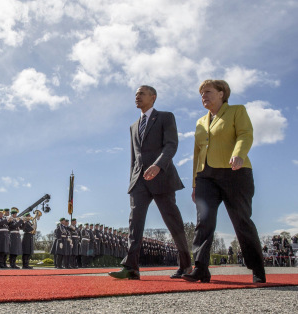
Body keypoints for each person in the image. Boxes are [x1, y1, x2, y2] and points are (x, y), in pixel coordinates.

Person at [183, 79, 266, 284]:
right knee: (204, 222)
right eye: (201, 93)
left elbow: (245, 134)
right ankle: (201, 268)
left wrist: (239, 154)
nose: (204, 96)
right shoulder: (200, 122)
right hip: (205, 176)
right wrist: (194, 183)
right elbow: (197, 153)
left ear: (222, 93)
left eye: (208, 91)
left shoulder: (237, 111)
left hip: (235, 173)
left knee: (241, 220)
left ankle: (257, 268)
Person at [109, 85, 191, 281]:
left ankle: (186, 265)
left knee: (173, 222)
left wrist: (157, 165)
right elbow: (134, 157)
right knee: (134, 223)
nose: (137, 97)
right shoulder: (133, 126)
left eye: (141, 94)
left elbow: (171, 145)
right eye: (136, 94)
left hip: (161, 176)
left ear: (153, 97)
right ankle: (131, 267)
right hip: (139, 181)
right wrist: (132, 182)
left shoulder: (165, 117)